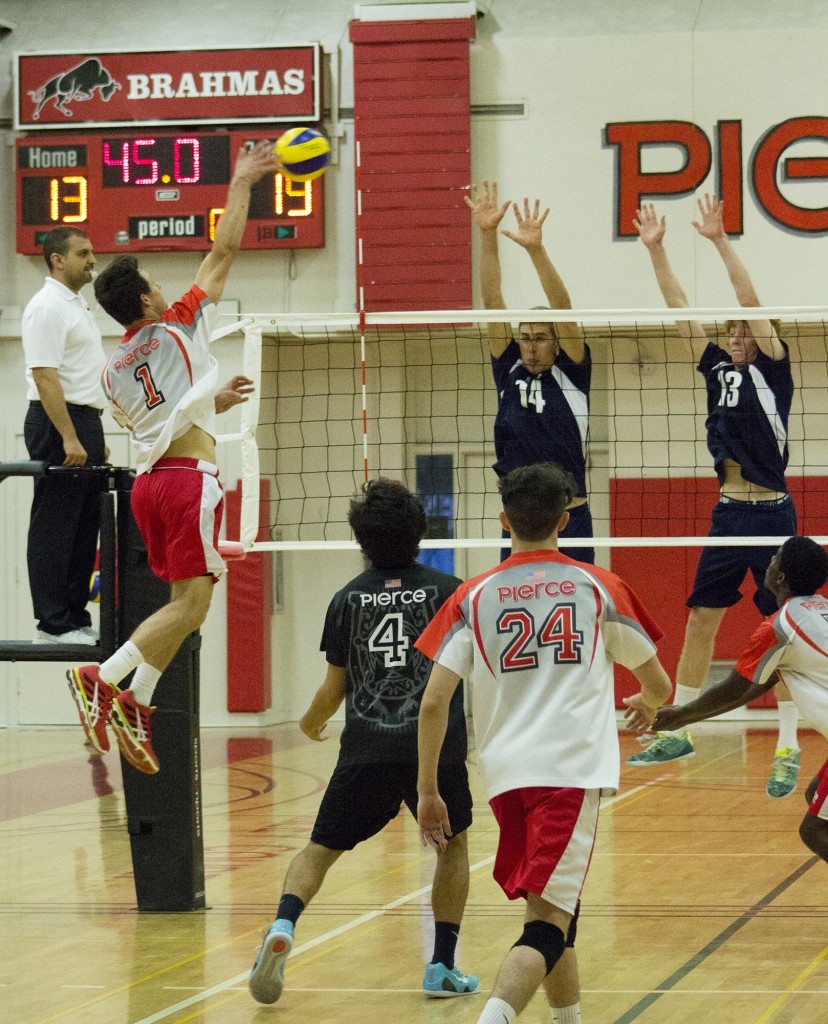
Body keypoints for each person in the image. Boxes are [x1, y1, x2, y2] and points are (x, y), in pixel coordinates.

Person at [416, 462, 672, 1024]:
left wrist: (429, 790)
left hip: (506, 776)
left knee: (557, 911)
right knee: (547, 924)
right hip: (570, 772)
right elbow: (659, 682)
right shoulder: (598, 586)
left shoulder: (471, 595)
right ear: (565, 518)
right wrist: (649, 702)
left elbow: (434, 702)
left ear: (503, 519)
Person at [64, 140, 279, 774]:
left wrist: (210, 398)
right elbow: (224, 252)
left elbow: (161, 417)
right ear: (151, 305)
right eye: (158, 285)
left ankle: (138, 704)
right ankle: (101, 678)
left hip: (148, 486)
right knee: (190, 606)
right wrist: (240, 184)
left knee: (190, 605)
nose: (166, 288)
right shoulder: (176, 325)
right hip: (189, 483)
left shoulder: (109, 373)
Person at [248, 479, 478, 1004]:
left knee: (319, 850)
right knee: (453, 846)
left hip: (365, 750)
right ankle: (441, 965)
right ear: (421, 531)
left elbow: (335, 687)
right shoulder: (452, 592)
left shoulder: (345, 599)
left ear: (360, 539)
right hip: (433, 751)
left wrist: (308, 724)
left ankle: (283, 925)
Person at [629, 194, 800, 798]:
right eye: (727, 328)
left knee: (779, 629)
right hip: (728, 513)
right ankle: (680, 725)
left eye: (741, 329)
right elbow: (681, 311)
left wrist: (720, 243)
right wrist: (657, 251)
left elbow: (750, 305)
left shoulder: (773, 366)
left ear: (760, 336)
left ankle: (787, 746)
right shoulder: (716, 368)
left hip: (773, 513)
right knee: (702, 617)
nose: (733, 334)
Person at [633, 536, 828, 864]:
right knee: (815, 795)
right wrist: (687, 715)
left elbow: (735, 687)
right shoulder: (818, 611)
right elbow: (757, 686)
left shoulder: (780, 627)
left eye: (776, 557)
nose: (770, 560)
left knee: (814, 831)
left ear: (780, 577)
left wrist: (682, 716)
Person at [466, 181, 593, 564]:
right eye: (525, 337)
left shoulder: (572, 370)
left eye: (540, 337)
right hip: (520, 515)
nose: (531, 345)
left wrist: (536, 250)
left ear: (556, 342)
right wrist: (488, 235)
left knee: (583, 599)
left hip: (569, 513)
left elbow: (563, 305)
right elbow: (492, 300)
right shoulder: (510, 369)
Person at [22, 226, 108, 645]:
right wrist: (70, 438)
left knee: (83, 524)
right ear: (58, 259)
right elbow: (45, 376)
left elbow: (82, 377)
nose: (93, 259)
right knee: (56, 524)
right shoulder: (46, 307)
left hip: (82, 420)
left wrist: (92, 434)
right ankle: (51, 624)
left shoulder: (77, 306)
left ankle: (74, 618)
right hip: (56, 422)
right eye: (83, 253)